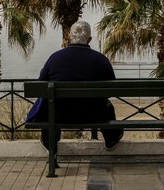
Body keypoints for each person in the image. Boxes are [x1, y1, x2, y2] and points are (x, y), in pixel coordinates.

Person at [30, 20, 123, 151]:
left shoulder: (55, 58)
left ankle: (50, 142)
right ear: (89, 39)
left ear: (69, 37)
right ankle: (111, 139)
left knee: (47, 108)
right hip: (94, 114)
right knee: (108, 107)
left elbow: (41, 86)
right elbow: (111, 88)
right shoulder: (101, 59)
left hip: (60, 114)